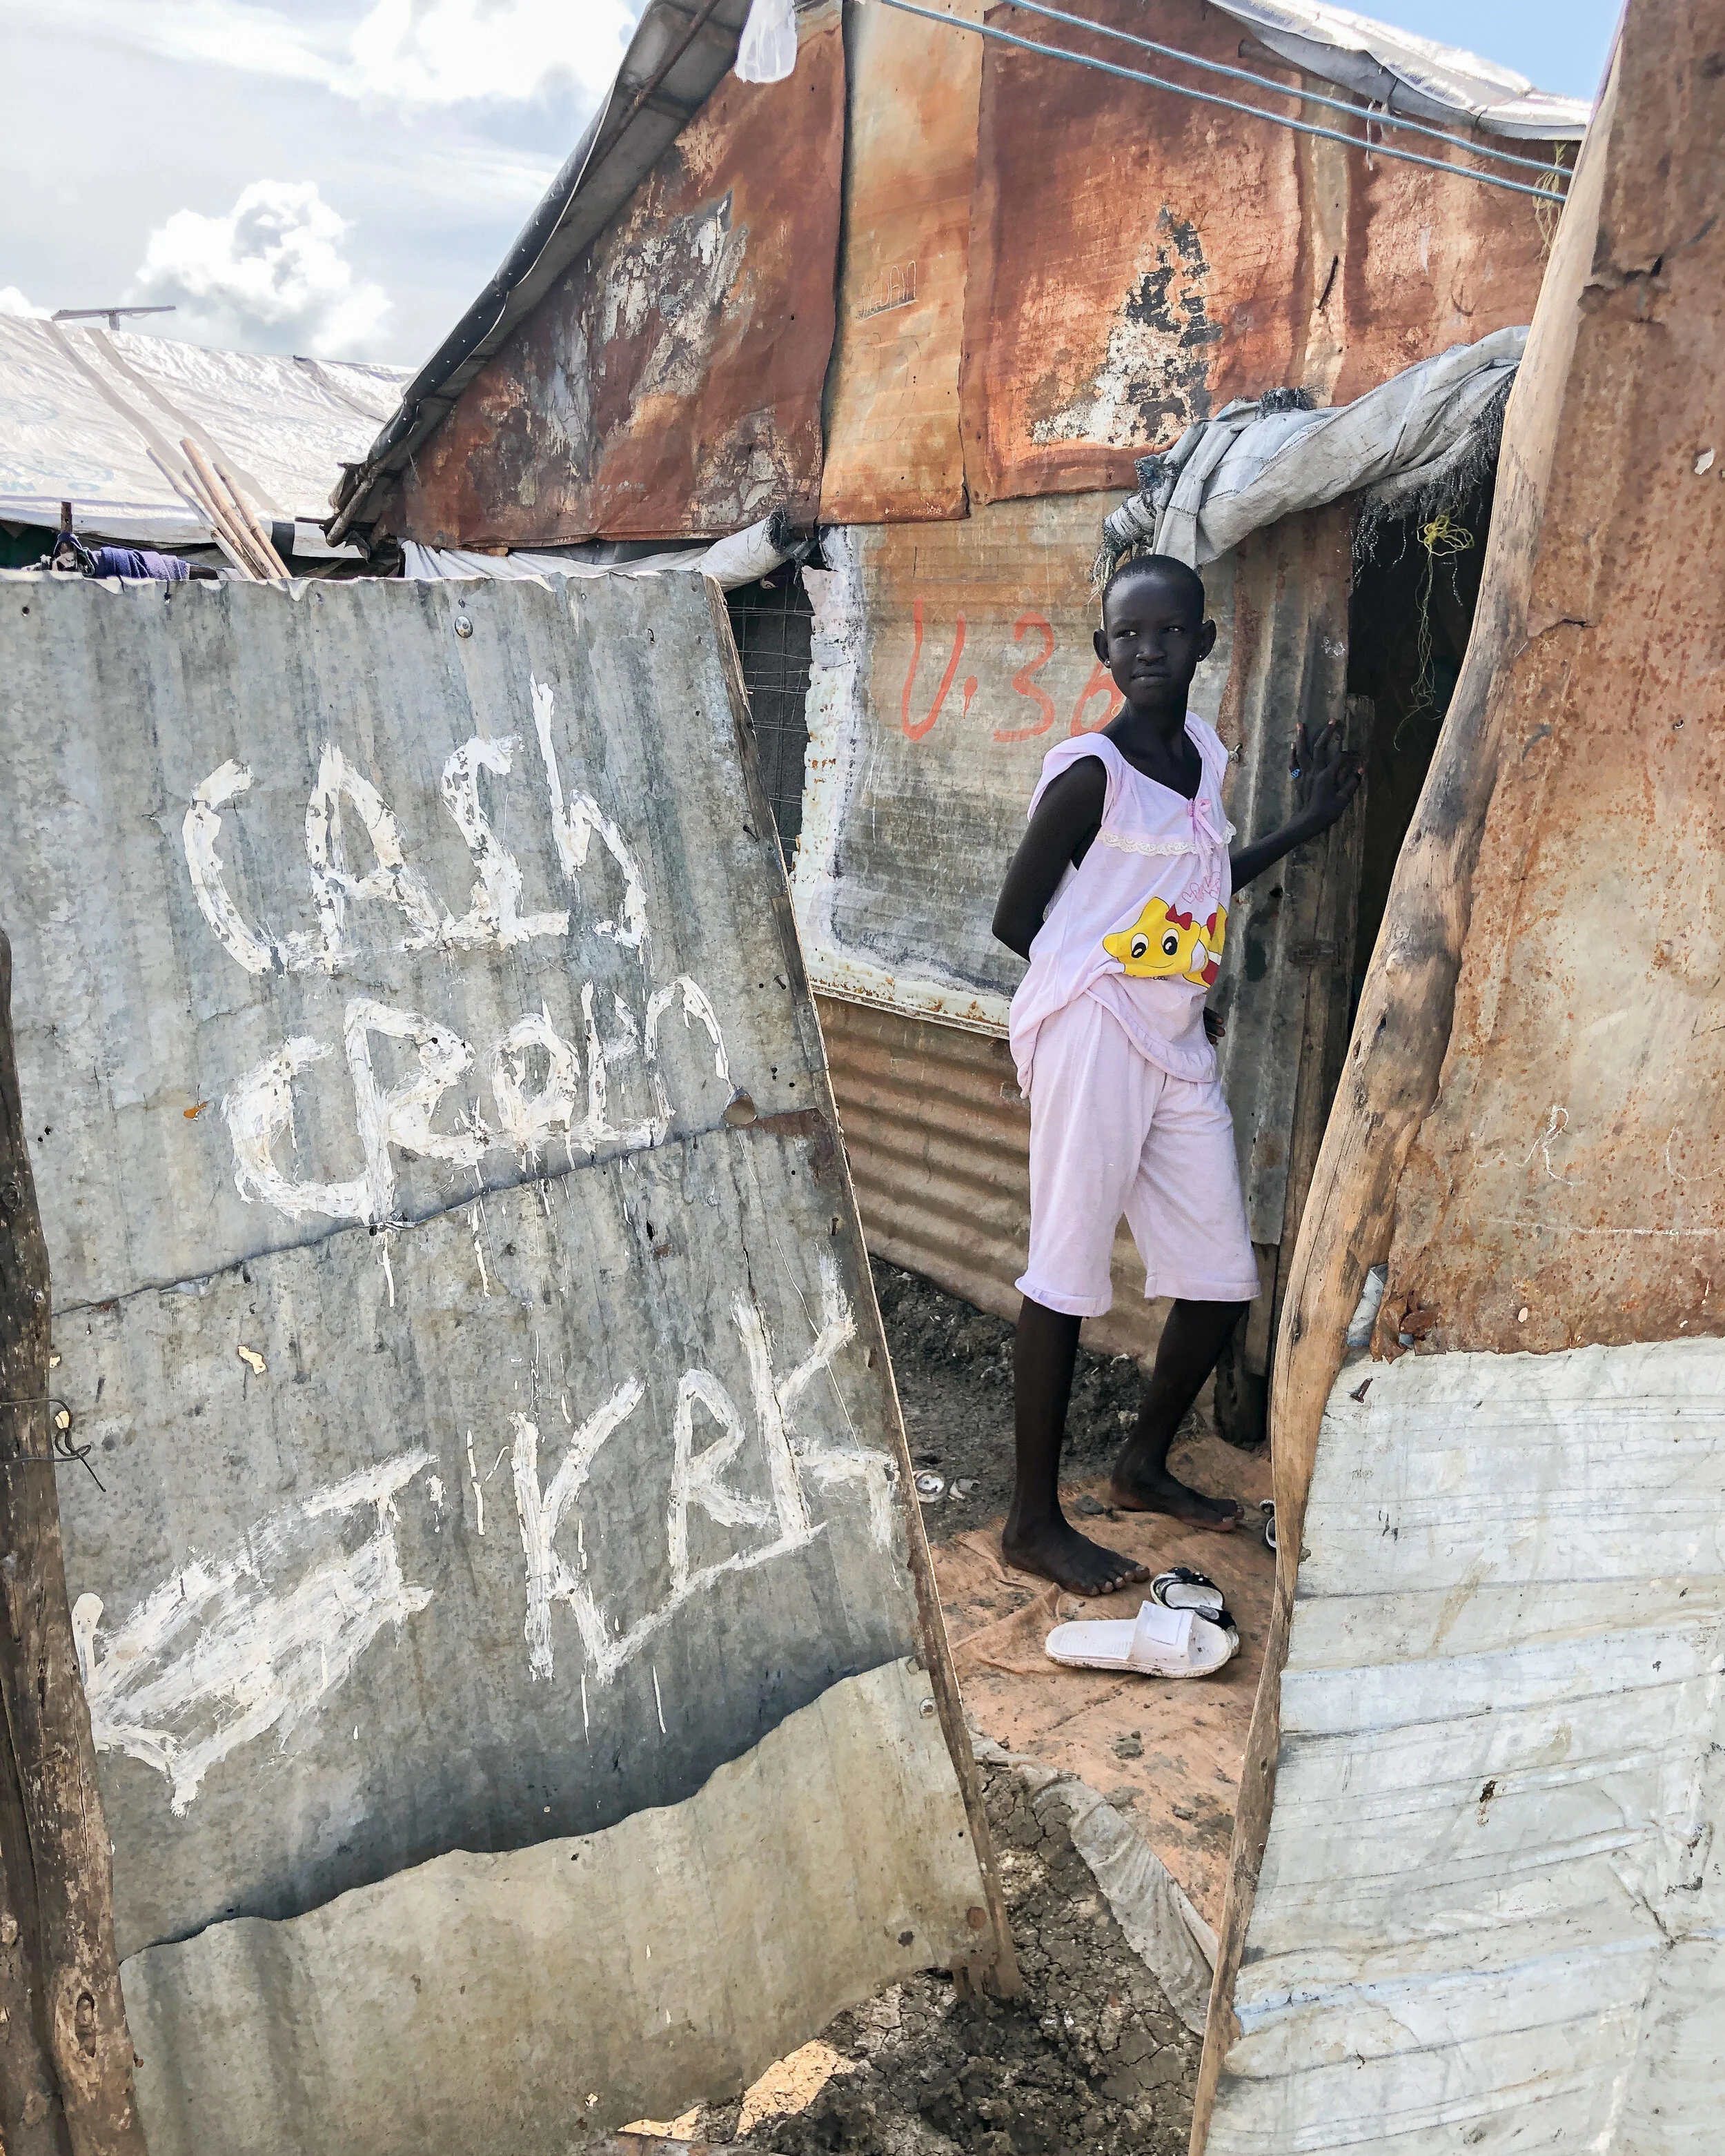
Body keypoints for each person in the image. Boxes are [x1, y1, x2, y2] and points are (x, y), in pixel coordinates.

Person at [992, 550, 1363, 1596]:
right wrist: (1101, 972)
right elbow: (1017, 922)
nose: (1148, 649)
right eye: (1128, 635)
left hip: (1174, 1036)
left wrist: (1307, 826)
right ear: (1103, 651)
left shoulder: (1204, 753)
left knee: (1217, 1275)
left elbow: (1200, 886)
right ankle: (1032, 1524)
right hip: (1095, 1029)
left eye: (1168, 632)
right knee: (1065, 1272)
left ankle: (1142, 1466)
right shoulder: (1088, 774)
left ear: (1203, 644)